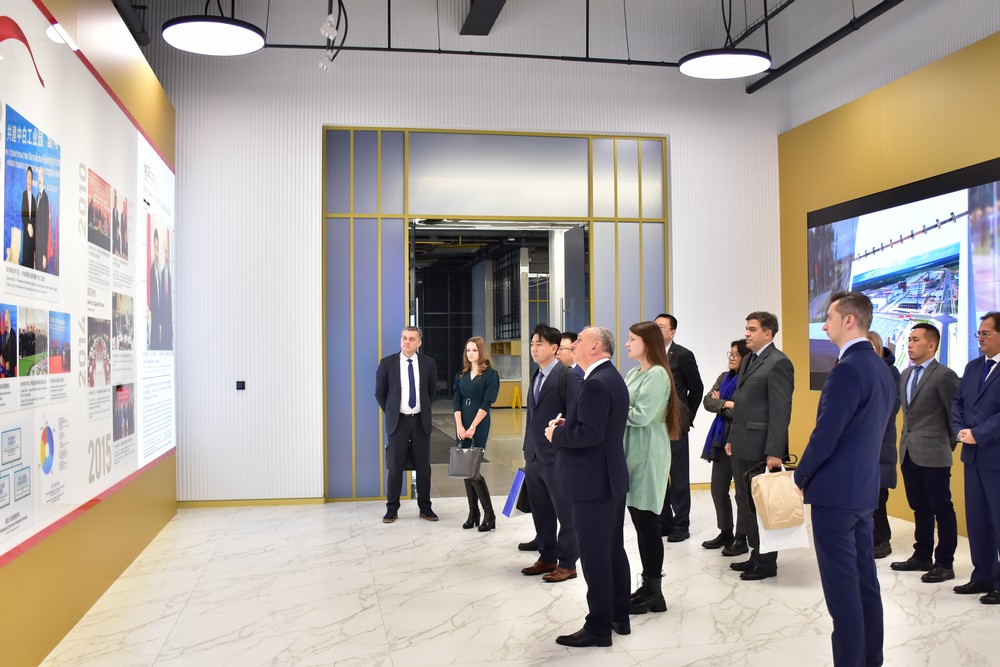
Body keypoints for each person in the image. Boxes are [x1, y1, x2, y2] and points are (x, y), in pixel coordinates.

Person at [793, 291, 895, 667]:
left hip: (836, 495)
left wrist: (799, 476)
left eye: (829, 318)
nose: (824, 326)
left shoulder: (847, 369)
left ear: (849, 320)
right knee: (865, 583)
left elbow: (826, 435)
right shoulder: (881, 368)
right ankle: (870, 659)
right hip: (864, 490)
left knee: (843, 592)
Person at [545, 326, 630, 647]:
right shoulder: (609, 377)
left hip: (593, 483)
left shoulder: (595, 382)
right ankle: (619, 616)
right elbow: (598, 426)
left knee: (595, 557)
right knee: (611, 551)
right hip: (608, 479)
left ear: (595, 346)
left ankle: (598, 628)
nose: (573, 344)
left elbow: (590, 435)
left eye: (579, 339)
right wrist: (570, 424)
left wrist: (556, 434)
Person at [727, 310, 794, 581]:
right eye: (747, 328)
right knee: (746, 504)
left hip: (761, 447)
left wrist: (775, 452)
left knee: (763, 507)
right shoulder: (750, 359)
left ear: (768, 333)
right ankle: (756, 554)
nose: (747, 333)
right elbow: (742, 404)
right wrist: (731, 437)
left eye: (752, 329)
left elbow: (781, 411)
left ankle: (767, 563)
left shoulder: (779, 362)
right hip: (742, 443)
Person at [891, 323, 959, 580]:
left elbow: (954, 416)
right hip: (908, 452)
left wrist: (945, 445)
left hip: (934, 454)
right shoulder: (906, 374)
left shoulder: (944, 375)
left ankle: (944, 563)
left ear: (931, 345)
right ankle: (921, 556)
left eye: (915, 339)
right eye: (909, 339)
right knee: (919, 507)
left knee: (942, 508)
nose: (909, 344)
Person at [623, 321, 682, 614]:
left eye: (632, 339)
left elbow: (642, 415)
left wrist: (610, 409)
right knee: (639, 522)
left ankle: (655, 592)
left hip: (648, 453)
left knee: (648, 525)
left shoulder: (657, 374)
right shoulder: (634, 373)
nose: (627, 344)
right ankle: (647, 585)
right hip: (632, 452)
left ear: (646, 343)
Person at [520, 324, 582, 581]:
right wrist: (527, 448)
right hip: (534, 456)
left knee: (565, 513)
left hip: (557, 456)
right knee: (541, 510)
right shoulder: (536, 375)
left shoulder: (568, 376)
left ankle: (568, 563)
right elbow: (532, 417)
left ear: (555, 348)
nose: (534, 349)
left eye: (540, 344)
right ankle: (547, 557)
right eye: (532, 344)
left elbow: (575, 416)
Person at [952, 311, 1000, 604]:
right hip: (972, 457)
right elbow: (957, 402)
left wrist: (978, 434)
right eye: (978, 334)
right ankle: (982, 576)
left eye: (986, 333)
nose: (980, 338)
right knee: (978, 520)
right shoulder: (972, 368)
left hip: (995, 456)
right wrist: (959, 430)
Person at [375, 326, 439, 523]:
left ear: (419, 342)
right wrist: (392, 411)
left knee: (423, 467)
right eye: (404, 337)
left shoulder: (428, 363)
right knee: (395, 467)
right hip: (398, 422)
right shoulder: (387, 363)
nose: (407, 341)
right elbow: (380, 393)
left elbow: (431, 391)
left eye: (411, 339)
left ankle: (425, 508)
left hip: (420, 421)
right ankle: (392, 509)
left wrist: (421, 409)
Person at [654, 313, 703, 542]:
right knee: (659, 473)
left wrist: (686, 416)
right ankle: (664, 521)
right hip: (654, 424)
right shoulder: (650, 354)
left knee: (678, 474)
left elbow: (697, 388)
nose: (657, 330)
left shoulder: (683, 355)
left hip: (675, 424)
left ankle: (681, 524)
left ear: (672, 332)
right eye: (654, 326)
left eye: (661, 327)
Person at [701, 339, 750, 554]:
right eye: (730, 353)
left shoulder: (748, 380)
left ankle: (741, 537)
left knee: (741, 493)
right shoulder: (724, 377)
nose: (731, 357)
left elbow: (744, 409)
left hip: (740, 439)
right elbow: (707, 401)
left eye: (736, 354)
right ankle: (726, 532)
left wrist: (721, 403)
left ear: (746, 358)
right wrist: (728, 403)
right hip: (720, 440)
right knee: (717, 489)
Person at [453, 336, 501, 531]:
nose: (470, 353)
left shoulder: (490, 375)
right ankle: (473, 513)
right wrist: (459, 426)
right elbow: (456, 401)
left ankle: (489, 514)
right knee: (465, 468)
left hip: (478, 423)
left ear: (482, 352)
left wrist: (472, 427)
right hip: (462, 423)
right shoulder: (461, 375)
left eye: (474, 350)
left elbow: (486, 403)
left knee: (473, 469)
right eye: (468, 350)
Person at [866, 331, 902, 560]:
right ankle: (867, 538)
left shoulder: (890, 371)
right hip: (860, 446)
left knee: (878, 496)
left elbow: (892, 406)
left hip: (880, 442)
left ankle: (882, 540)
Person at [148, 229, 161, 349]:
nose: (156, 253)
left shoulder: (159, 274)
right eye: (155, 249)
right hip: (154, 328)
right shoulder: (151, 273)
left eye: (158, 249)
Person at [20, 166, 35, 269]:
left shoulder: (34, 199)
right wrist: (28, 225)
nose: (29, 180)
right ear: (26, 179)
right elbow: (23, 215)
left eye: (31, 178)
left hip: (32, 239)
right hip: (26, 235)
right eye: (28, 177)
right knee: (25, 262)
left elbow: (34, 220)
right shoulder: (24, 195)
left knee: (31, 264)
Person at [35, 167, 49, 272]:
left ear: (44, 179)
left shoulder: (45, 198)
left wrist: (44, 253)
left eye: (40, 176)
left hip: (41, 247)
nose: (39, 179)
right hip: (36, 244)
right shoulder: (37, 197)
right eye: (38, 176)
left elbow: (45, 226)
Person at [1, 309, 16, 378]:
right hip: (5, 372)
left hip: (11, 373)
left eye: (6, 321)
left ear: (10, 320)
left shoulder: (14, 335)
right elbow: (3, 349)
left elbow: (16, 356)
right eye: (5, 322)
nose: (5, 323)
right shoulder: (4, 334)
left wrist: (10, 363)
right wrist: (1, 356)